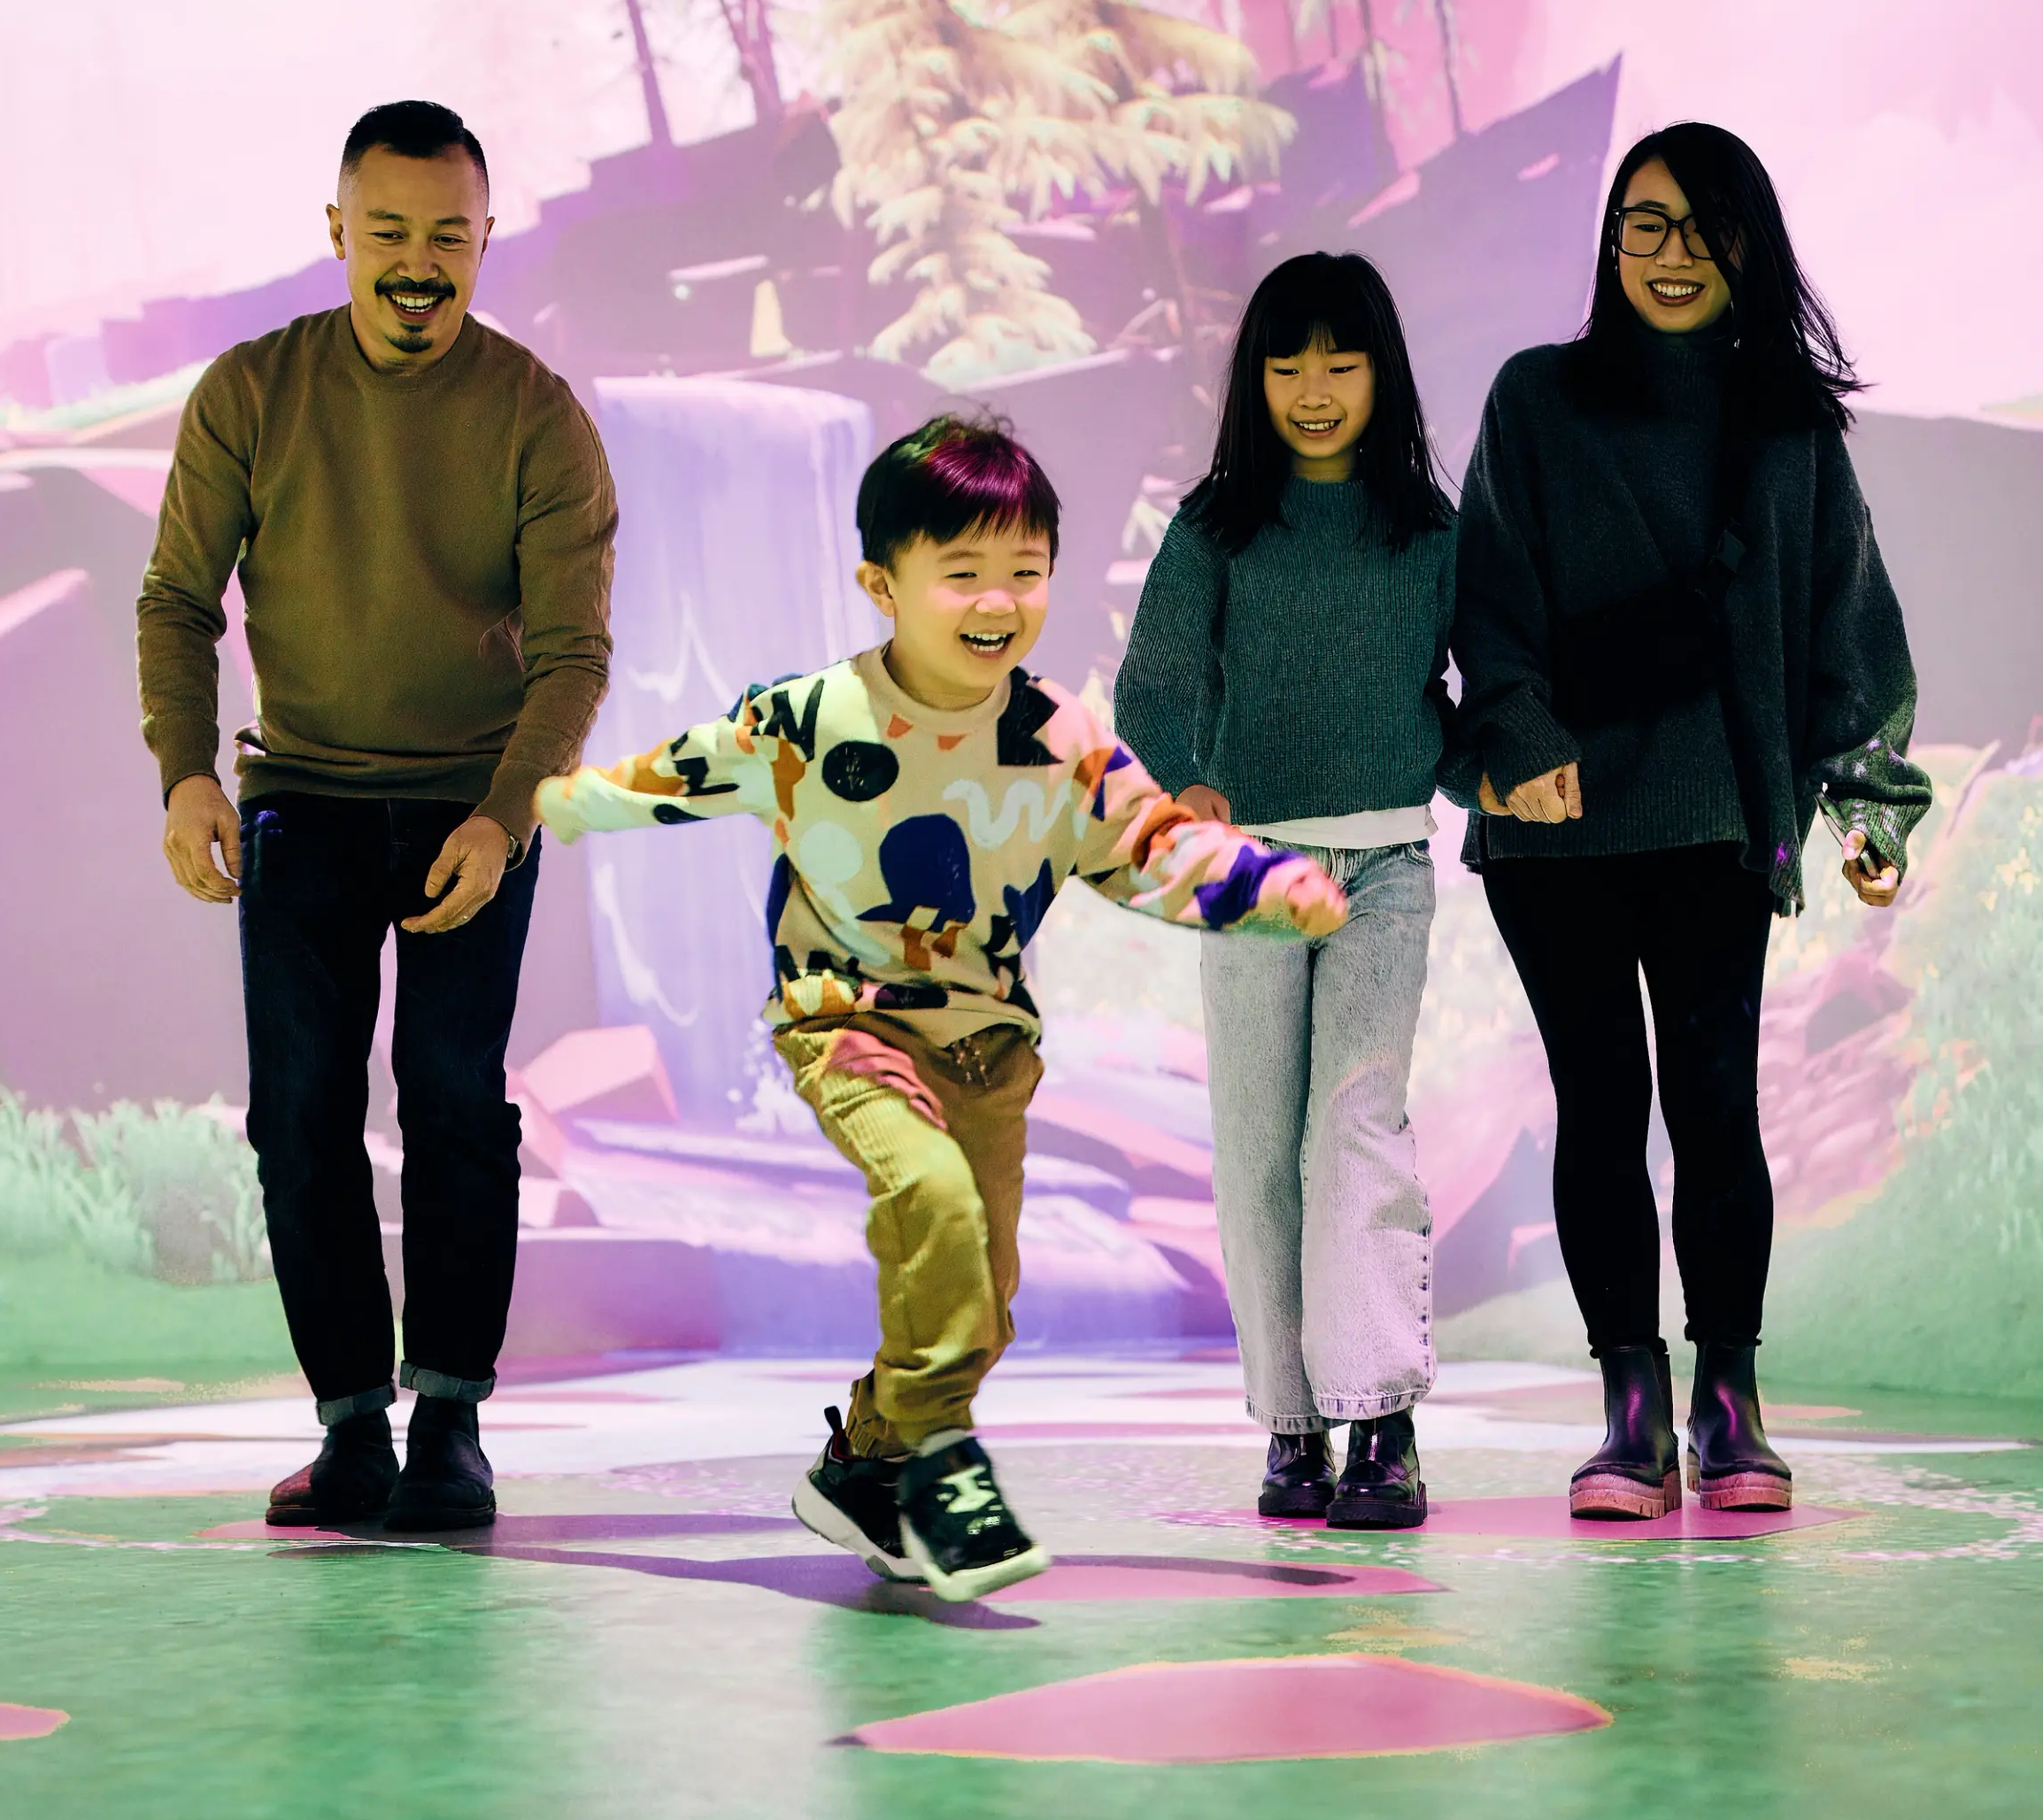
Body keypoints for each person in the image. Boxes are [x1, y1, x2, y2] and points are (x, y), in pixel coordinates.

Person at [536, 419, 1345, 1600]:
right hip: (850, 1023)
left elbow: (1154, 848)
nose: (997, 600)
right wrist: (568, 803)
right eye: (962, 571)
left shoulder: (1059, 740)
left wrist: (1269, 886)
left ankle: (868, 1459)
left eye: (1024, 572)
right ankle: (942, 1466)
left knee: (980, 1294)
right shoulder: (811, 720)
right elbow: (682, 771)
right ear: (884, 585)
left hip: (989, 1049)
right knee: (933, 1202)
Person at [138, 99, 618, 1536]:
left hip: (476, 804)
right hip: (304, 799)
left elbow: (571, 654)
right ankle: (351, 1427)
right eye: (390, 232)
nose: (419, 263)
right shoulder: (250, 391)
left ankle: (453, 1424)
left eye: (449, 237)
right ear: (337, 232)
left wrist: (504, 816)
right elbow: (177, 598)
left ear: (484, 242)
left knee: (457, 1100)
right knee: (298, 1113)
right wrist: (185, 773)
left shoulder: (537, 416)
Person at [1453, 121, 1927, 1522]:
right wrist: (1521, 740)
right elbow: (1489, 599)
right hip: (1555, 832)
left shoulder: (1790, 432)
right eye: (1643, 225)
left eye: (1702, 227)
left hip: (1718, 819)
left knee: (1717, 1111)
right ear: (1609, 242)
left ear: (1750, 247)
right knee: (1601, 1106)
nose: (1670, 255)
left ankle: (1732, 1405)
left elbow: (1851, 630)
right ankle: (1629, 1410)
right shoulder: (1536, 400)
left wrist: (1872, 802)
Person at [1116, 252, 1471, 1531]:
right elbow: (1151, 687)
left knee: (1356, 1126)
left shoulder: (1430, 534)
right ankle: (1293, 1428)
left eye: (1341, 361)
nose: (1314, 390)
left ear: (1384, 371)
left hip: (1384, 872)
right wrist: (1188, 787)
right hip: (1253, 876)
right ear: (1253, 380)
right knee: (1261, 1148)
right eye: (1286, 364)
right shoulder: (1216, 527)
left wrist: (1518, 775)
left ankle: (1380, 1417)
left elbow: (1473, 701)